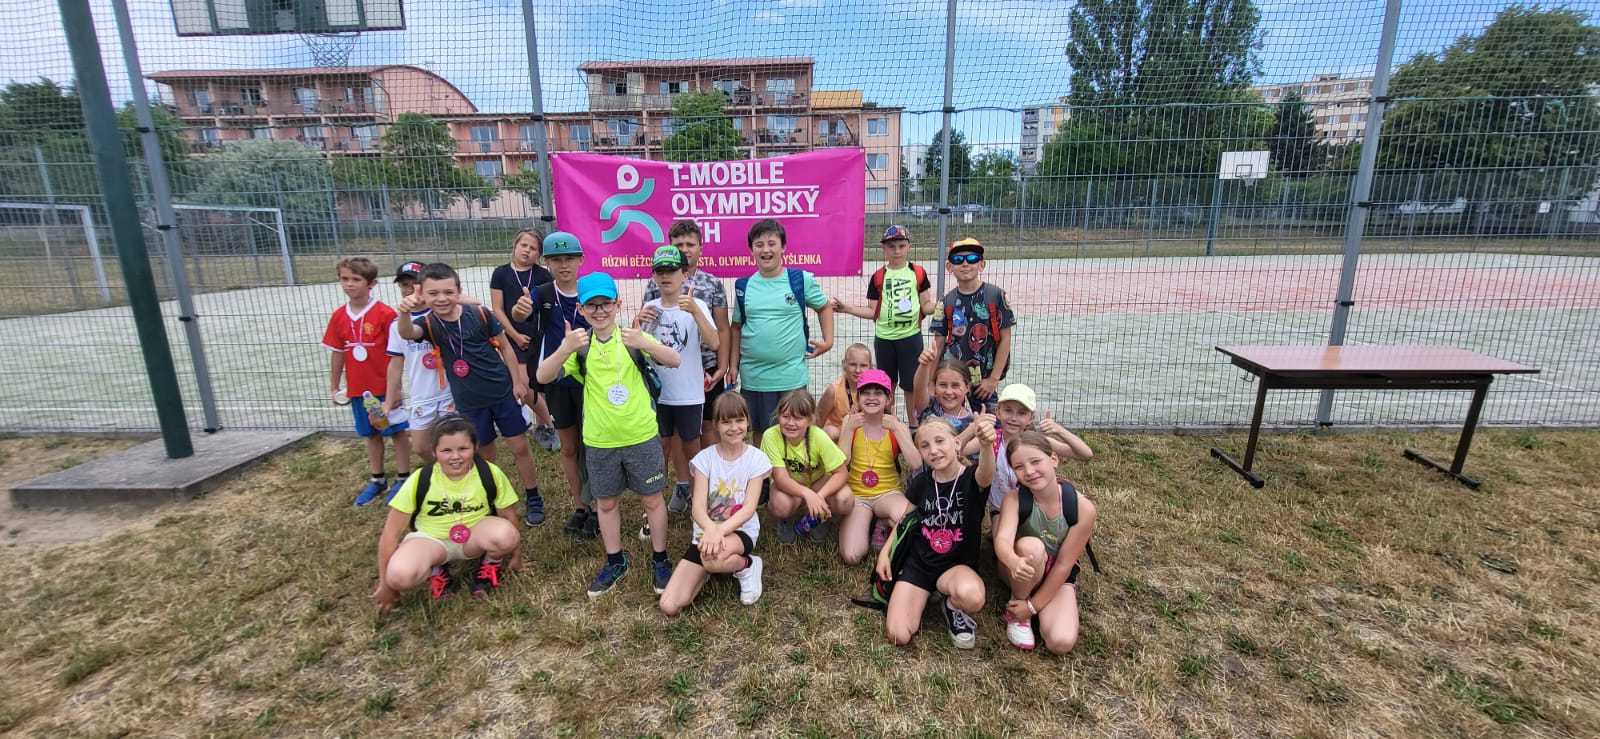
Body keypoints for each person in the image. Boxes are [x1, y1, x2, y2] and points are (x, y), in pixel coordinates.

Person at [536, 272, 681, 599]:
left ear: (618, 304)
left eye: (606, 304)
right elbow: (543, 376)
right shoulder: (580, 346)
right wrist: (564, 349)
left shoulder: (632, 338)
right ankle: (615, 560)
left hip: (641, 435)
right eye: (592, 306)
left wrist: (645, 343)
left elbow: (674, 359)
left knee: (653, 499)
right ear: (581, 309)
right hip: (600, 441)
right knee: (606, 502)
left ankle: (660, 558)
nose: (599, 311)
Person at [395, 263, 544, 528]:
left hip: (501, 392)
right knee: (484, 455)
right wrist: (404, 313)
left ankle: (533, 496)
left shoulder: (479, 314)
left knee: (520, 447)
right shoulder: (428, 323)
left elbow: (506, 348)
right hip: (469, 402)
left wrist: (517, 382)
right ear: (423, 295)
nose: (441, 299)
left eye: (448, 292)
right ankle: (490, 499)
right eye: (433, 293)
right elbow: (407, 333)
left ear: (459, 291)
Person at [371, 416, 521, 612]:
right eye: (446, 450)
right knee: (400, 576)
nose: (455, 457)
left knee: (506, 536)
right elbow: (390, 535)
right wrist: (386, 585)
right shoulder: (420, 479)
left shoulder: (489, 472)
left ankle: (491, 563)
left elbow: (509, 516)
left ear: (475, 447)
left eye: (463, 449)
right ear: (434, 452)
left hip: (473, 537)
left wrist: (517, 557)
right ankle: (435, 568)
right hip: (431, 540)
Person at [880, 416, 995, 649]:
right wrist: (885, 553)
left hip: (955, 566)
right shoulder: (921, 483)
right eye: (925, 446)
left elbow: (986, 472)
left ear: (956, 443)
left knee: (972, 596)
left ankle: (951, 606)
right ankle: (922, 593)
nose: (933, 450)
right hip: (919, 565)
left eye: (940, 441)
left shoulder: (972, 478)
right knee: (898, 635)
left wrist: (985, 445)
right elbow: (905, 521)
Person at [658, 392, 772, 615]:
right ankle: (709, 567)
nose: (734, 428)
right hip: (706, 536)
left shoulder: (756, 459)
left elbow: (749, 509)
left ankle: (747, 565)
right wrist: (711, 531)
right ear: (716, 425)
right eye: (726, 422)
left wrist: (719, 532)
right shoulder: (704, 459)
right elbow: (698, 508)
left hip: (739, 531)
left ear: (747, 422)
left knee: (713, 559)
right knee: (669, 605)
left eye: (739, 420)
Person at [513, 231, 596, 538]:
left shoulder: (591, 290)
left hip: (591, 380)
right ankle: (580, 506)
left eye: (570, 259)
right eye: (557, 260)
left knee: (593, 446)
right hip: (558, 381)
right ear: (547, 263)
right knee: (569, 447)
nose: (564, 265)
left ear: (581, 260)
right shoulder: (543, 293)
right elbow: (520, 312)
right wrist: (519, 311)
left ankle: (598, 506)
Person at [992, 430, 1098, 653]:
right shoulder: (1014, 499)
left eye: (1035, 461)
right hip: (1021, 568)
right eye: (1019, 467)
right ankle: (1017, 608)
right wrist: (1013, 560)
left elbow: (1064, 564)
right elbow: (1002, 541)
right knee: (1032, 547)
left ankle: (1030, 606)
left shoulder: (1082, 508)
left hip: (1056, 572)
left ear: (1054, 459)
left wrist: (1033, 607)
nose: (1029, 471)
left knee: (1060, 642)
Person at [727, 219, 835, 437]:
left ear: (783, 247)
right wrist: (733, 366)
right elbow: (736, 328)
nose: (765, 250)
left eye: (771, 243)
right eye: (759, 245)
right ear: (751, 250)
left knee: (795, 435)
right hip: (754, 379)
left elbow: (824, 307)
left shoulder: (800, 280)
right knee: (761, 436)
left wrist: (829, 341)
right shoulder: (743, 286)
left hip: (791, 378)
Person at [321, 256, 411, 506]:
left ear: (371, 283)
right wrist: (334, 386)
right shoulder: (339, 316)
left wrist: (396, 389)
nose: (349, 284)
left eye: (356, 279)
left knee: (397, 432)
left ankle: (403, 476)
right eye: (344, 279)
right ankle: (377, 479)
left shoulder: (385, 314)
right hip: (358, 390)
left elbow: (397, 355)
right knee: (370, 434)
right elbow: (338, 353)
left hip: (384, 389)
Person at [636, 244, 718, 517]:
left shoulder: (697, 305)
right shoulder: (649, 307)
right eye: (659, 271)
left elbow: (715, 343)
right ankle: (655, 504)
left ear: (684, 274)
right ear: (653, 276)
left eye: (671, 270)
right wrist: (637, 323)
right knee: (660, 447)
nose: (665, 276)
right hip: (657, 394)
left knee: (692, 445)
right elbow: (636, 348)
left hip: (689, 393)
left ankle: (698, 500)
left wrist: (695, 311)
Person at [641, 220, 731, 458]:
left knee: (706, 425)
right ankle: (683, 478)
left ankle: (709, 473)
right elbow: (645, 328)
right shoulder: (654, 286)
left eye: (690, 244)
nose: (685, 249)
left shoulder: (712, 283)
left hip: (705, 366)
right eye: (678, 245)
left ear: (700, 248)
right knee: (670, 435)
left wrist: (722, 366)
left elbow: (722, 329)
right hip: (666, 371)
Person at [834, 225, 935, 420]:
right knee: (886, 384)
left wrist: (940, 306)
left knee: (911, 385)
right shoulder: (878, 277)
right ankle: (887, 422)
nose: (897, 251)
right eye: (891, 246)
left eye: (901, 246)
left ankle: (913, 425)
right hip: (884, 339)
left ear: (909, 247)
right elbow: (873, 311)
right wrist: (847, 308)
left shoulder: (918, 273)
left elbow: (926, 305)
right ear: (884, 248)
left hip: (911, 337)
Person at [962, 384, 1093, 522]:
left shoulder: (1036, 441)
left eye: (1022, 413)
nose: (1013, 418)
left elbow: (1085, 454)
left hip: (1034, 507)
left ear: (1031, 418)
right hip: (1000, 508)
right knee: (1002, 532)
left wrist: (1060, 431)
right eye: (1008, 410)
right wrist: (973, 429)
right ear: (998, 412)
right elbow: (958, 450)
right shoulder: (991, 439)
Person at [836, 369, 920, 565]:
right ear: (858, 398)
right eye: (866, 393)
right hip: (858, 496)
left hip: (888, 493)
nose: (872, 397)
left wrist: (898, 429)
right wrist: (848, 430)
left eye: (878, 393)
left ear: (888, 399)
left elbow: (916, 463)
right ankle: (868, 523)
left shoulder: (896, 425)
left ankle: (883, 522)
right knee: (852, 555)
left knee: (908, 519)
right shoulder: (849, 422)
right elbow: (841, 463)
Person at [488, 229, 559, 452]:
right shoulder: (500, 273)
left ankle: (543, 427)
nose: (527, 251)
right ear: (515, 246)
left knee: (541, 383)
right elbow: (497, 309)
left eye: (533, 248)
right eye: (524, 245)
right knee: (524, 386)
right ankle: (552, 424)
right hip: (512, 338)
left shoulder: (543, 275)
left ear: (539, 254)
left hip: (538, 337)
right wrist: (515, 335)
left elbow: (549, 307)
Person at [925, 237, 1014, 413]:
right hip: (951, 381)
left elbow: (1005, 339)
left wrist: (993, 379)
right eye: (958, 259)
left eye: (972, 258)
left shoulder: (996, 296)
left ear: (982, 264)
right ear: (949, 267)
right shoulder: (946, 302)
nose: (965, 264)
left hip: (984, 382)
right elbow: (938, 344)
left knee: (988, 423)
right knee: (947, 423)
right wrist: (931, 382)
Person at [383, 260, 457, 468]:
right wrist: (389, 400)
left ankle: (462, 472)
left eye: (415, 284)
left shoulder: (444, 313)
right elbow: (395, 365)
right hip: (421, 394)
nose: (410, 289)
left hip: (451, 391)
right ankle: (446, 470)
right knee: (421, 447)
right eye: (404, 285)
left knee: (454, 440)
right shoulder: (397, 325)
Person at [761, 389, 852, 545]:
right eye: (785, 416)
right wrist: (807, 494)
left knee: (845, 499)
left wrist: (820, 496)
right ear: (778, 416)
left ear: (810, 420)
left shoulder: (819, 436)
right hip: (790, 483)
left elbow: (842, 473)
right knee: (780, 505)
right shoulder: (770, 436)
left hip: (817, 481)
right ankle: (786, 520)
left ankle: (819, 516)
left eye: (798, 418)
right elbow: (780, 478)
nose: (791, 423)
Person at [909, 354, 978, 441]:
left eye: (955, 385)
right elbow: (919, 388)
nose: (949, 392)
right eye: (943, 385)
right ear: (934, 386)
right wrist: (924, 365)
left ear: (967, 387)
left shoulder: (972, 422)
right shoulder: (929, 408)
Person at [816, 343, 872, 441]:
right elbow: (817, 423)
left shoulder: (875, 390)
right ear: (844, 364)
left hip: (864, 435)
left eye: (863, 365)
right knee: (830, 432)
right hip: (839, 436)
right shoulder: (833, 391)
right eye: (853, 364)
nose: (858, 370)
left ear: (870, 367)